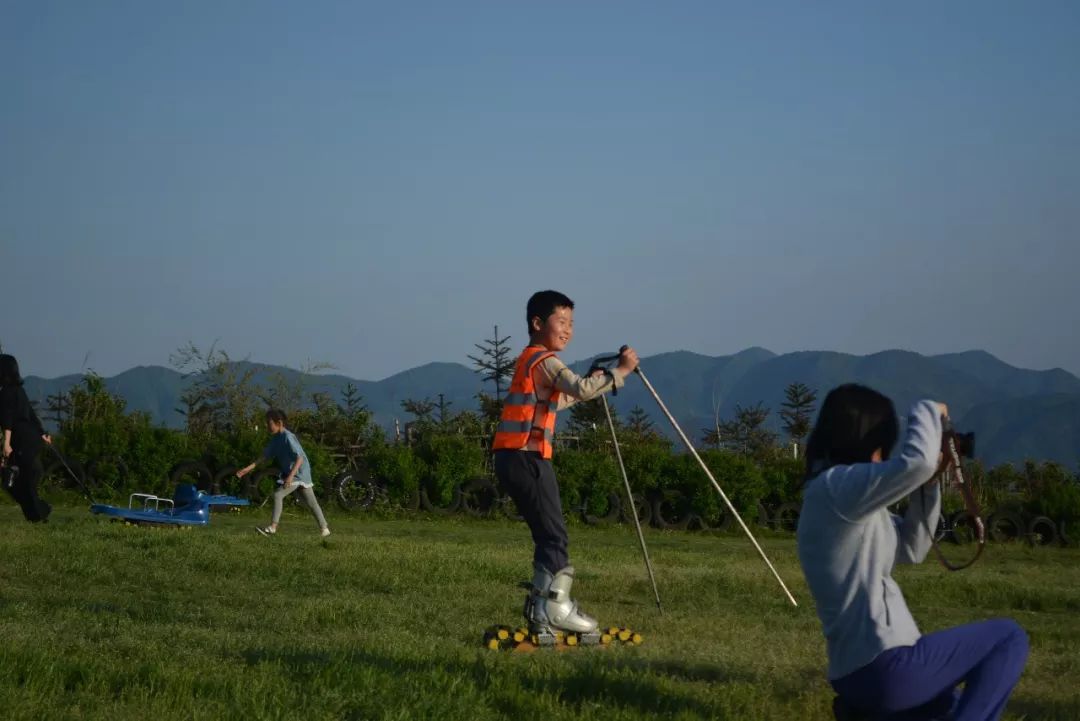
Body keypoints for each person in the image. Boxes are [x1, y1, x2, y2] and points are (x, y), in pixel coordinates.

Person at [797, 384, 1028, 721]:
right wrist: (930, 408)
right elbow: (916, 462)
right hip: (888, 666)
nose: (883, 458)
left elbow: (912, 547)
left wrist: (931, 484)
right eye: (882, 448)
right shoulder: (835, 488)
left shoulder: (842, 503)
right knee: (1008, 638)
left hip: (862, 676)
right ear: (865, 442)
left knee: (948, 708)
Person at [492, 290, 639, 641]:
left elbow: (562, 400)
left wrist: (598, 382)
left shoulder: (529, 361)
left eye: (572, 323)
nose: (568, 329)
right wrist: (621, 371)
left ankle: (541, 612)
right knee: (554, 536)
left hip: (513, 458)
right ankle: (558, 609)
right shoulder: (544, 360)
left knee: (548, 535)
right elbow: (581, 388)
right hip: (528, 458)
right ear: (538, 323)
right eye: (562, 321)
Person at [236, 408, 330, 538]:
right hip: (292, 472)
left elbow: (300, 458)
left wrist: (290, 477)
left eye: (269, 424)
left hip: (299, 472)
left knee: (278, 495)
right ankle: (324, 529)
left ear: (279, 423)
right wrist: (247, 469)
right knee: (312, 503)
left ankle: (273, 527)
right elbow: (264, 456)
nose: (267, 426)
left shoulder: (288, 437)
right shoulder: (275, 439)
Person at [0, 354, 52, 523]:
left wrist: (6, 444)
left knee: (21, 482)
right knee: (18, 481)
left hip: (22, 440)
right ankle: (39, 512)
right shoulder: (19, 391)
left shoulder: (6, 393)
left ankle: (39, 515)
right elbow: (30, 413)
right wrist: (42, 433)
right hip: (32, 439)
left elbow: (8, 420)